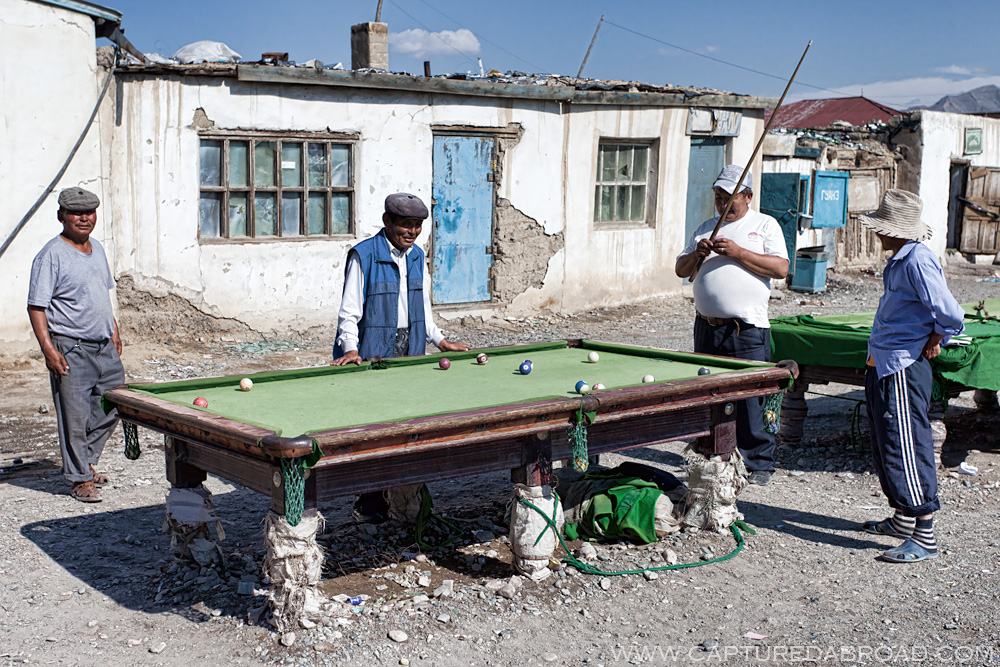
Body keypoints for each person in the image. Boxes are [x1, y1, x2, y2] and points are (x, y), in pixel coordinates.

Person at [333, 192, 469, 522]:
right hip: (372, 348)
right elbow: (348, 312)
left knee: (407, 421)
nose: (411, 232)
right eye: (405, 225)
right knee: (371, 427)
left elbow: (421, 307)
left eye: (417, 226)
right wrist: (350, 347)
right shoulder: (364, 255)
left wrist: (439, 339)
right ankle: (367, 502)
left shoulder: (417, 256)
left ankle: (403, 496)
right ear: (387, 222)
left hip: (410, 347)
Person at [857, 189, 964, 563]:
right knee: (887, 442)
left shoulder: (917, 259)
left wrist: (936, 336)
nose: (876, 234)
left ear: (896, 230)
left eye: (881, 228)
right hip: (885, 362)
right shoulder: (901, 259)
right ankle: (904, 519)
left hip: (902, 365)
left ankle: (925, 534)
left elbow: (950, 313)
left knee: (907, 445)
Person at [674, 165, 789, 485]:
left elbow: (780, 267)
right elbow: (681, 270)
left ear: (748, 197)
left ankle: (759, 461)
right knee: (709, 391)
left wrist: (738, 252)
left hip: (746, 328)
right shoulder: (705, 229)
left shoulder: (764, 225)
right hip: (707, 325)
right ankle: (715, 450)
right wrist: (697, 253)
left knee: (751, 396)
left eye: (730, 198)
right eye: (718, 198)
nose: (723, 205)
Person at [27, 187, 125, 503]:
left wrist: (114, 327)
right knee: (74, 416)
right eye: (76, 212)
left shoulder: (96, 248)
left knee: (117, 402)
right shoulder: (51, 254)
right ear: (62, 216)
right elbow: (36, 306)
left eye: (89, 212)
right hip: (70, 347)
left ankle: (85, 460)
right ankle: (80, 478)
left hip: (103, 345)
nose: (84, 218)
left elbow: (102, 292)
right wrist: (48, 349)